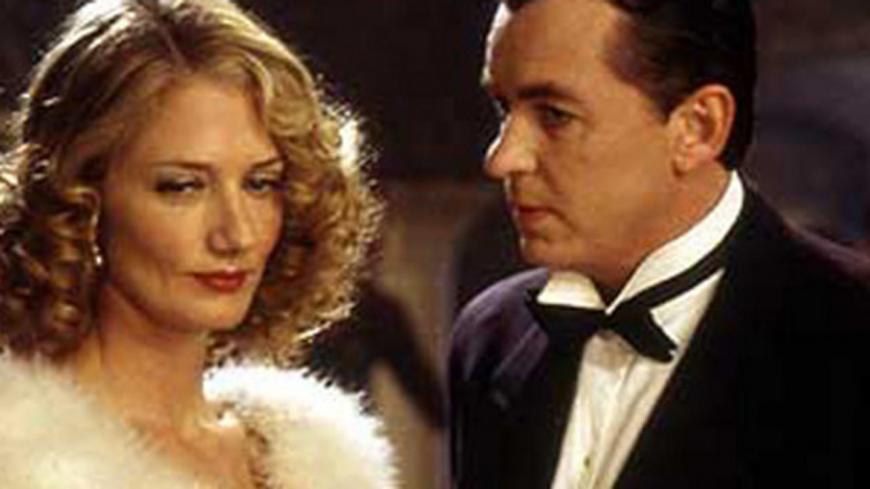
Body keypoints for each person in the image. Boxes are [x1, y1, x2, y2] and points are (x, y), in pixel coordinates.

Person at [449, 0, 870, 488]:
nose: (502, 158)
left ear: (698, 127)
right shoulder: (489, 338)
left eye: (554, 115)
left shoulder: (850, 334)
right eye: (504, 108)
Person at [0, 0, 395, 487]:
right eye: (183, 186)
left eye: (260, 184)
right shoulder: (18, 459)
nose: (236, 234)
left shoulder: (324, 458)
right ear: (81, 198)